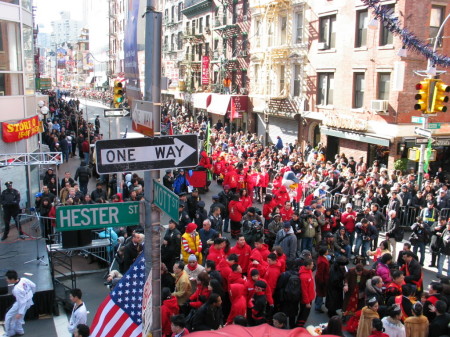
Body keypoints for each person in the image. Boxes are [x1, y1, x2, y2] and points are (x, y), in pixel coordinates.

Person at [3, 270, 36, 337]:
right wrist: (31, 294)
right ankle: (19, 330)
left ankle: (8, 333)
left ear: (12, 279)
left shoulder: (17, 289)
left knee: (8, 316)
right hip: (28, 301)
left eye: (7, 279)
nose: (6, 280)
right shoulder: (24, 279)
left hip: (22, 304)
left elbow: (22, 302)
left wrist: (20, 313)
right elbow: (34, 285)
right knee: (19, 318)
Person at [297, 258, 315, 327]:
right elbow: (304, 290)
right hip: (306, 300)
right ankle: (299, 326)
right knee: (303, 314)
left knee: (305, 313)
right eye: (312, 264)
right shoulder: (303, 277)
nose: (313, 265)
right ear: (307, 266)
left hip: (309, 297)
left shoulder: (309, 270)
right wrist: (307, 302)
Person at [315, 246, 330, 313]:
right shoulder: (322, 261)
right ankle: (318, 306)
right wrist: (322, 281)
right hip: (322, 279)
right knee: (320, 293)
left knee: (319, 292)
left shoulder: (321, 258)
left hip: (322, 278)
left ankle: (317, 302)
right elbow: (320, 273)